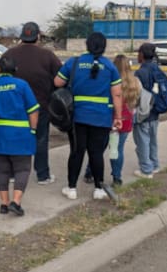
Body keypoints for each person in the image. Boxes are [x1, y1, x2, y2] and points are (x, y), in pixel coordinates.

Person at [53, 32, 123, 201]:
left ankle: (71, 188)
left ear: (87, 45)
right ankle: (98, 188)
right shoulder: (110, 67)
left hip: (78, 117)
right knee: (96, 153)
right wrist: (118, 117)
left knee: (77, 152)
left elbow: (57, 82)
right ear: (104, 47)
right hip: (102, 117)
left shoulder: (74, 62)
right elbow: (117, 95)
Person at [1, 21, 62, 184]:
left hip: (13, 107)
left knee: (15, 138)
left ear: (22, 37)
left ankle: (13, 174)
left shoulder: (9, 54)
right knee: (40, 140)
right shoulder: (48, 55)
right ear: (38, 37)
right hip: (40, 106)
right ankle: (42, 175)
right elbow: (60, 79)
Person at [0, 55, 40, 216]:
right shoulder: (22, 85)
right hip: (21, 135)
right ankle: (16, 202)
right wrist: (33, 131)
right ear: (15, 70)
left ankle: (4, 204)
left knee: (3, 170)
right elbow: (33, 110)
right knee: (23, 169)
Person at [132, 42, 167, 179]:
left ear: (142, 55)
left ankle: (146, 170)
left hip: (143, 113)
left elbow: (136, 94)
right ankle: (154, 165)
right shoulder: (158, 70)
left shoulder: (140, 72)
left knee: (142, 142)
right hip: (156, 112)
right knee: (152, 140)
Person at [109, 54, 142, 186]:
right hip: (127, 118)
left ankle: (90, 171)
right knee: (118, 148)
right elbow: (137, 101)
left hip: (111, 118)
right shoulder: (135, 82)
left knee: (100, 147)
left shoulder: (111, 80)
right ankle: (117, 177)